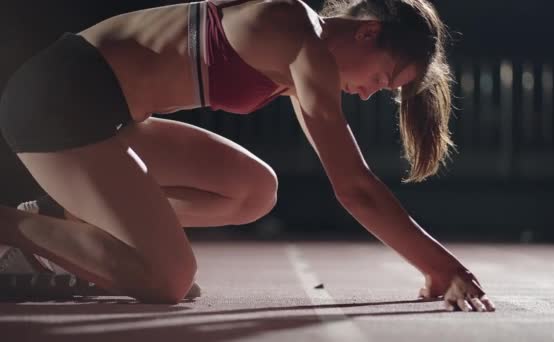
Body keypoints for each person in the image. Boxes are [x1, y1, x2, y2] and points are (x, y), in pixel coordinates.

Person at [0, 0, 495, 310]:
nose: (369, 94)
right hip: (58, 101)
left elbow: (347, 177)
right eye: (383, 79)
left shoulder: (303, 63)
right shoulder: (299, 34)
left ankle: (64, 216)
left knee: (254, 190)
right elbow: (355, 187)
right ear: (367, 32)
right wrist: (441, 266)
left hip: (107, 117)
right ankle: (8, 226)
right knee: (170, 279)